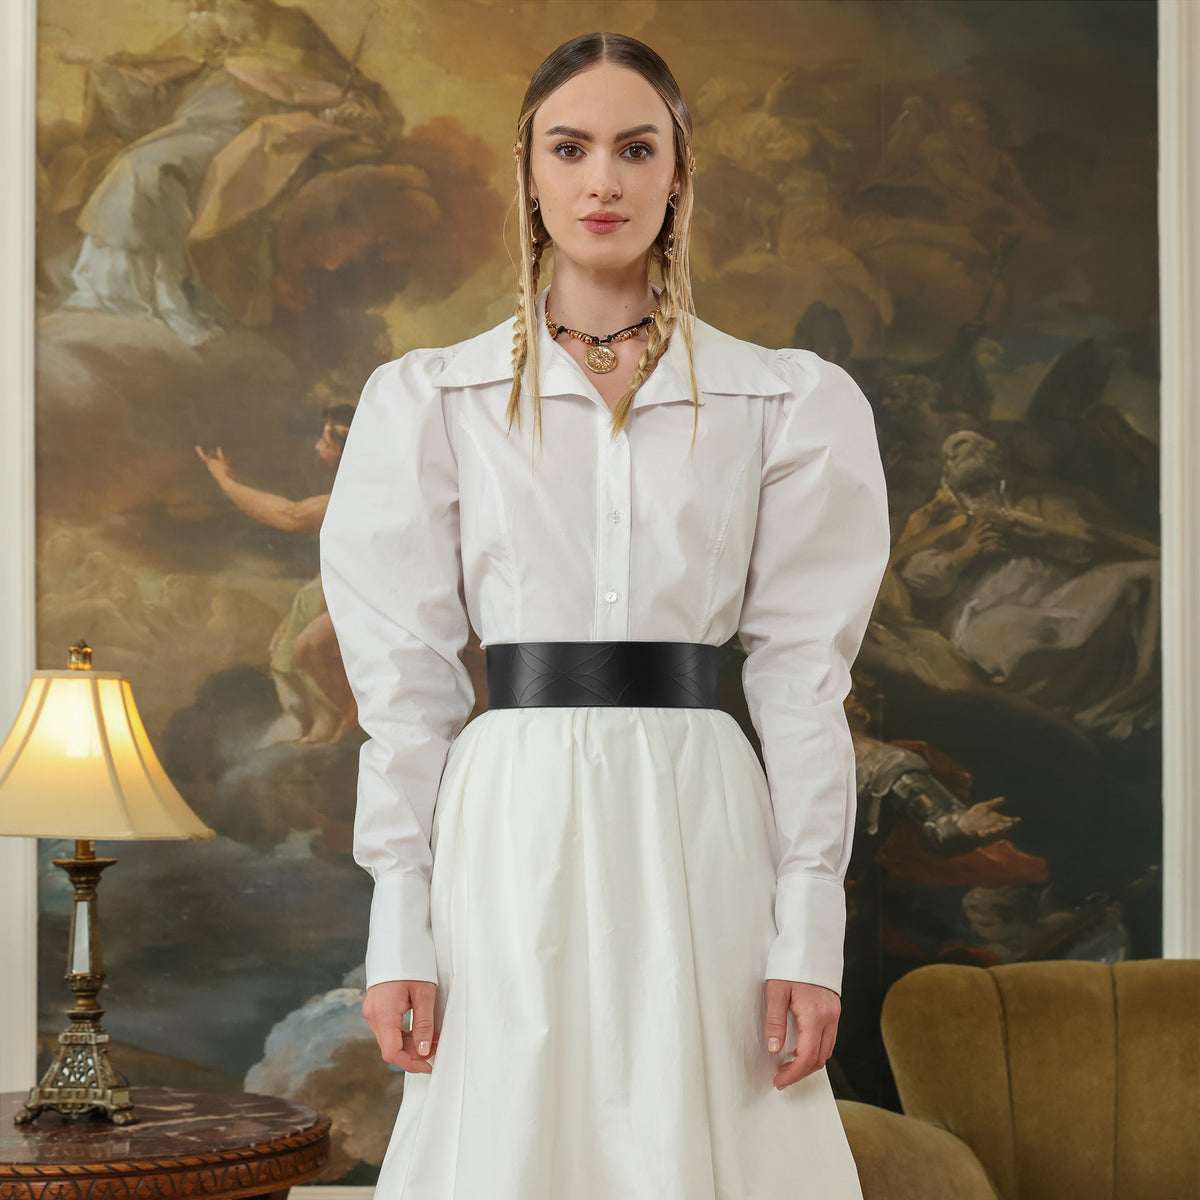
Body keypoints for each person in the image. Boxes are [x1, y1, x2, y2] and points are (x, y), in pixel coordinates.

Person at [319, 32, 891, 1199]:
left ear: (680, 171)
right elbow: (405, 690)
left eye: (637, 149)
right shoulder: (433, 399)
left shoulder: (785, 403)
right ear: (525, 170)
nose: (603, 182)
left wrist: (809, 932)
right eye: (570, 148)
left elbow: (801, 681)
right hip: (509, 826)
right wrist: (400, 929)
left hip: (705, 821)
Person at [197, 404, 358, 742]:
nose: (318, 446)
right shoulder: (352, 488)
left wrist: (224, 482)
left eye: (327, 440)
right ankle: (323, 721)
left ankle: (349, 722)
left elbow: (291, 515)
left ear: (347, 448)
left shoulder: (365, 491)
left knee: (308, 649)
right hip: (335, 587)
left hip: (371, 594)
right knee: (284, 653)